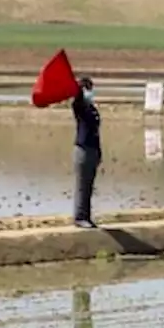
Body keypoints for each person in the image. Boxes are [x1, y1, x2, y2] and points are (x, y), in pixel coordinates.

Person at [71, 76, 101, 229]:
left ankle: (86, 216)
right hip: (83, 150)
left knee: (89, 186)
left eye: (91, 89)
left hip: (92, 149)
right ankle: (79, 217)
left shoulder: (91, 108)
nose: (91, 92)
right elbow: (77, 102)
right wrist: (78, 91)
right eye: (88, 89)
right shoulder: (79, 106)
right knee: (82, 185)